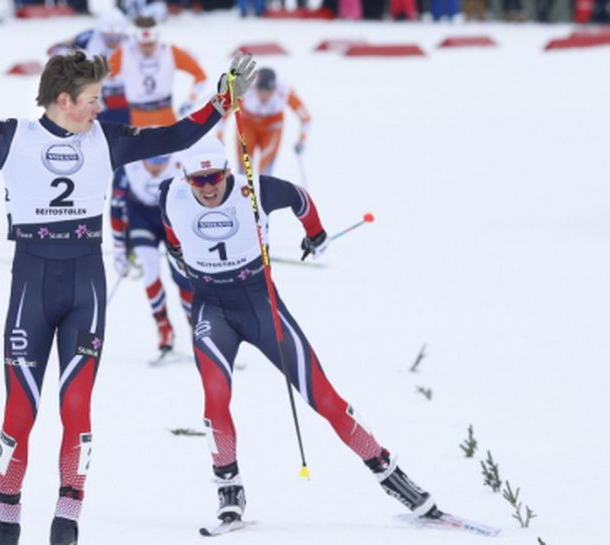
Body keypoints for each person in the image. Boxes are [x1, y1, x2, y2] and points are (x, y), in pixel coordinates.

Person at [0, 31, 256, 545]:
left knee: (76, 408)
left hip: (84, 288)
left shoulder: (108, 139)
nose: (101, 107)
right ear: (63, 101)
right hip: (32, 285)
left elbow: (175, 136)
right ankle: (5, 523)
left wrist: (221, 101)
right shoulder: (12, 138)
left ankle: (66, 522)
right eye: (93, 99)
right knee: (19, 411)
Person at [159, 137, 440, 529]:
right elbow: (171, 229)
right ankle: (229, 490)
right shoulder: (171, 194)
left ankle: (390, 474)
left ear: (227, 172)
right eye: (198, 180)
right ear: (186, 178)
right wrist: (177, 251)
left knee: (323, 397)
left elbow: (301, 199)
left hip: (260, 303)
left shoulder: (253, 189)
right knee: (216, 399)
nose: (207, 187)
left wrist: (316, 233)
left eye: (215, 177)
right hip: (211, 306)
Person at [110, 154, 193, 357]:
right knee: (150, 266)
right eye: (152, 162)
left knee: (182, 273)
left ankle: (196, 325)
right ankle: (163, 326)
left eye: (162, 163)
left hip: (170, 217)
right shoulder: (128, 166)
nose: (157, 168)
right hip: (141, 217)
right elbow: (115, 208)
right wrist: (119, 250)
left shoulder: (180, 164)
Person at [108, 16, 209, 128]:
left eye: (150, 44)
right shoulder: (123, 54)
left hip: (166, 117)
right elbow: (100, 78)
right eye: (143, 44)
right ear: (136, 38)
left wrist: (191, 99)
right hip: (137, 119)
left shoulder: (170, 51)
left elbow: (200, 75)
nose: (147, 48)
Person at [219, 67, 310, 177]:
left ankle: (265, 189)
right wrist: (220, 135)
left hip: (272, 126)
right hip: (248, 123)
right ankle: (244, 188)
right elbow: (224, 112)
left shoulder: (285, 91)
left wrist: (301, 140)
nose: (265, 96)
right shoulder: (244, 88)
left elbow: (306, 118)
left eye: (269, 92)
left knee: (266, 166)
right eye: (261, 91)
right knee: (245, 163)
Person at [47, 9, 131, 125]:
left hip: (120, 91)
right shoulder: (89, 37)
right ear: (100, 32)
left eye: (116, 38)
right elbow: (53, 50)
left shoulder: (131, 42)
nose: (112, 42)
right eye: (108, 38)